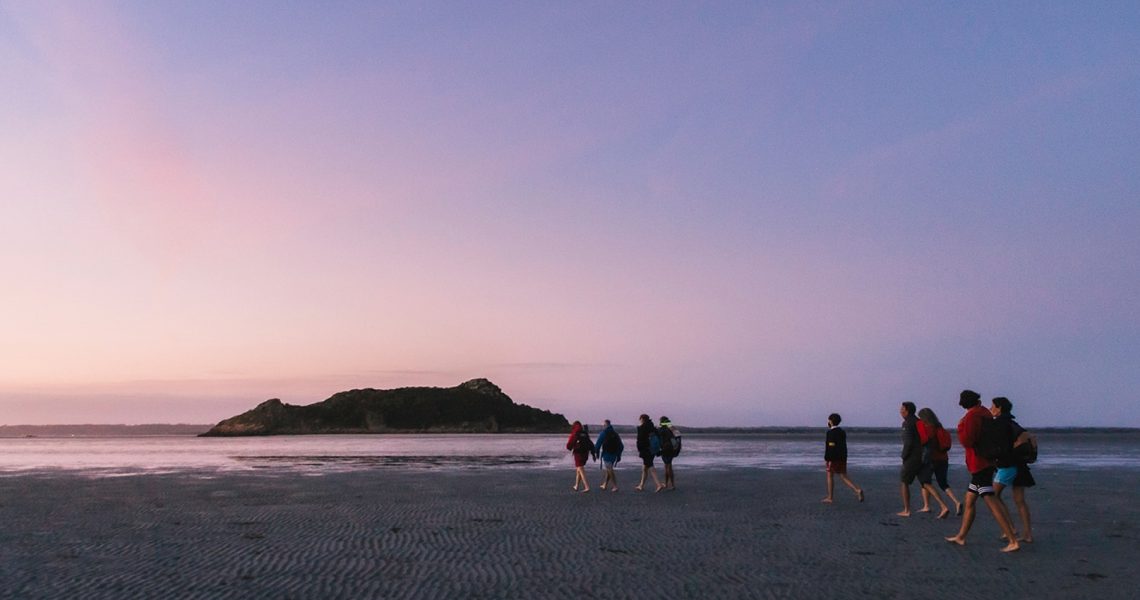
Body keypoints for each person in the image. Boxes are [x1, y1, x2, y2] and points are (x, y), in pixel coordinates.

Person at [945, 390, 1020, 552]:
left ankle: (1013, 540)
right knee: (970, 500)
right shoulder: (984, 412)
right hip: (987, 461)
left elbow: (967, 440)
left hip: (979, 463)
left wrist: (960, 426)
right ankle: (961, 537)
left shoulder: (972, 416)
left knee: (991, 500)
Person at [990, 397, 1036, 543]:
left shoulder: (1000, 423)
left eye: (993, 406)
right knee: (1019, 500)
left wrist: (1004, 453)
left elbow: (1004, 444)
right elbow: (1027, 436)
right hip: (1019, 465)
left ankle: (1010, 528)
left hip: (1008, 465)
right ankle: (1027, 534)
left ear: (999, 408)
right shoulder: (1012, 423)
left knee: (993, 495)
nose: (991, 409)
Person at [917, 407, 963, 517]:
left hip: (931, 459)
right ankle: (956, 502)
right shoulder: (940, 427)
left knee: (925, 482)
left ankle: (930, 506)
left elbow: (923, 441)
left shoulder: (927, 428)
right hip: (943, 458)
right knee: (943, 483)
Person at [822, 413, 864, 504]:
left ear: (831, 421)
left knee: (830, 475)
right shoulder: (842, 432)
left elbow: (830, 446)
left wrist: (827, 457)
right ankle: (857, 490)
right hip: (842, 457)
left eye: (829, 420)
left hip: (833, 458)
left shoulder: (830, 433)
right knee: (843, 475)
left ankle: (830, 497)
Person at [897, 402, 923, 517]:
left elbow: (908, 442)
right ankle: (944, 506)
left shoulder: (907, 423)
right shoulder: (919, 421)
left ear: (906, 410)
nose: (900, 411)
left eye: (902, 409)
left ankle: (907, 510)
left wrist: (904, 455)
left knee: (904, 482)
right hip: (923, 455)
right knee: (925, 482)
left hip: (912, 456)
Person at [634, 414, 665, 492]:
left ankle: (658, 484)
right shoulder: (653, 427)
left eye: (640, 419)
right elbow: (659, 437)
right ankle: (641, 485)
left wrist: (639, 450)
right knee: (645, 467)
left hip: (646, 450)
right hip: (653, 450)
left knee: (650, 466)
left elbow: (640, 440)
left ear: (642, 419)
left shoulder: (642, 428)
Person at [565, 421, 597, 493]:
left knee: (581, 469)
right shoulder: (585, 434)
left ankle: (586, 486)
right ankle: (576, 485)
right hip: (585, 454)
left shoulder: (575, 433)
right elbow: (591, 444)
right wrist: (593, 454)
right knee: (579, 469)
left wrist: (571, 448)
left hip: (578, 454)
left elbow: (569, 445)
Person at [594, 419, 624, 492]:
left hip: (607, 454)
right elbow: (621, 446)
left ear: (605, 425)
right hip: (614, 454)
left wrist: (596, 453)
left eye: (603, 425)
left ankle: (615, 486)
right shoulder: (615, 433)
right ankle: (605, 484)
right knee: (608, 469)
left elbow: (598, 444)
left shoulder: (603, 433)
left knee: (609, 469)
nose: (603, 427)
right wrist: (619, 455)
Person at [658, 416, 681, 491]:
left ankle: (670, 484)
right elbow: (678, 436)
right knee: (668, 465)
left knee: (667, 466)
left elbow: (659, 440)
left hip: (665, 449)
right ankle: (669, 484)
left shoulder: (661, 430)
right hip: (671, 449)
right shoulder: (672, 429)